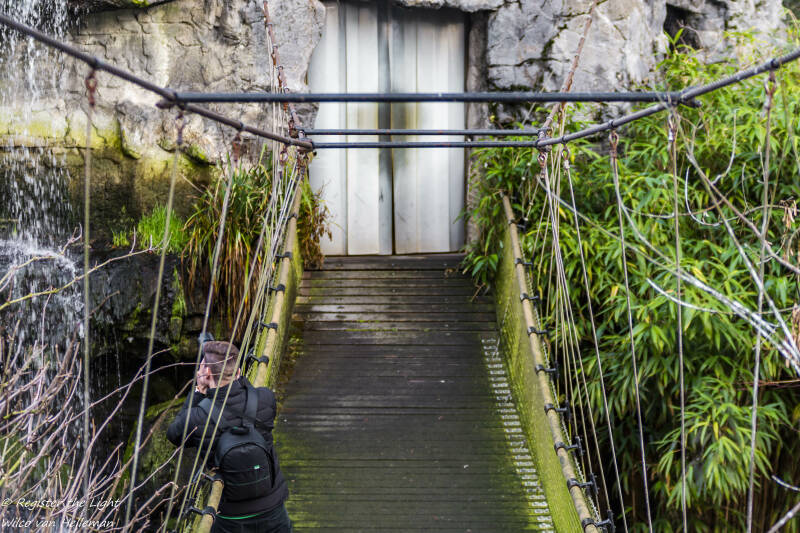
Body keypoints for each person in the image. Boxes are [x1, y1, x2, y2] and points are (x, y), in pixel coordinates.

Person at [166, 338, 291, 533]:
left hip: (231, 517)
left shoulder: (197, 417)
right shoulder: (265, 398)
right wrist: (238, 378)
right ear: (238, 371)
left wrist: (198, 390)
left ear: (207, 373)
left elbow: (173, 434)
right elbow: (247, 393)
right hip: (273, 508)